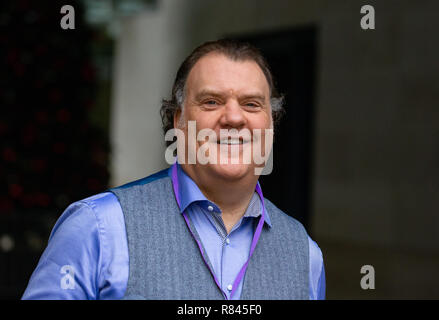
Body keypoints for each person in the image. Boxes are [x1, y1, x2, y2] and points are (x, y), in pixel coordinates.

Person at [22, 39, 325, 300]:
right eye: (211, 101)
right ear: (179, 120)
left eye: (251, 104)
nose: (234, 117)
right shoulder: (97, 227)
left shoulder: (305, 254)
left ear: (271, 123)